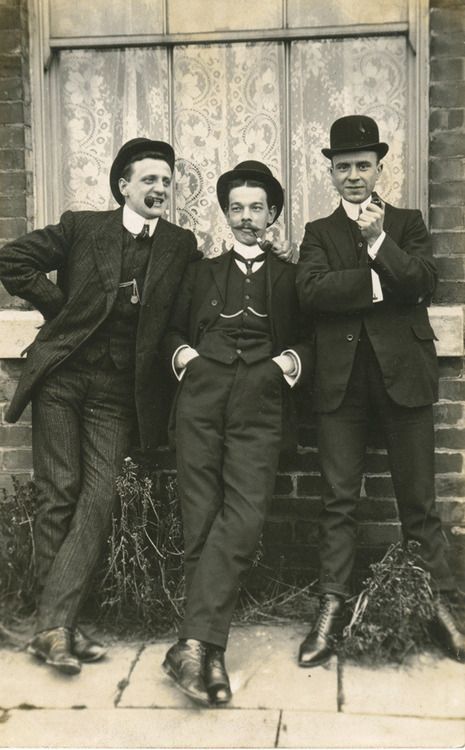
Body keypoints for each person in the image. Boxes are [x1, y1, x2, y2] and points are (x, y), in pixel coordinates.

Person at [0, 138, 200, 675]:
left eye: (166, 180)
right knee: (59, 493)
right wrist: (61, 310)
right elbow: (11, 260)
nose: (160, 188)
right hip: (63, 379)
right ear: (123, 187)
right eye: (149, 180)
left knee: (99, 497)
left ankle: (52, 626)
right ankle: (58, 625)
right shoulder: (83, 227)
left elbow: (197, 298)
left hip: (118, 393)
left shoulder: (181, 245)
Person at [295, 114, 465, 668]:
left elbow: (421, 281)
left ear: (379, 168)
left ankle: (439, 604)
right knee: (338, 500)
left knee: (418, 502)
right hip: (341, 383)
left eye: (362, 165)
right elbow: (311, 293)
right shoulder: (318, 233)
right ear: (331, 172)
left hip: (403, 377)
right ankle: (332, 606)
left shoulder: (408, 223)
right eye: (342, 167)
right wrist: (376, 283)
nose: (352, 176)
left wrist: (378, 241)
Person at [161, 161, 313, 706]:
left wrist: (280, 368)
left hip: (262, 402)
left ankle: (192, 643)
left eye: (257, 208)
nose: (246, 219)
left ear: (273, 214)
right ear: (225, 214)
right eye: (237, 209)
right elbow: (170, 330)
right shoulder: (199, 273)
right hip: (201, 398)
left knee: (244, 516)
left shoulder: (292, 278)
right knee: (200, 521)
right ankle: (209, 652)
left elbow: (311, 343)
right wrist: (189, 360)